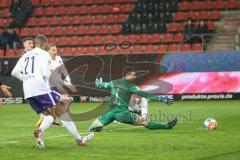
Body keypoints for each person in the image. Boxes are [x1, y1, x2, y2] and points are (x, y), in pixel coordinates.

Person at [11, 34, 93, 148]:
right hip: (41, 88)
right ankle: (79, 140)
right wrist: (62, 83)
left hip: (28, 91)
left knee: (49, 115)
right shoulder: (44, 54)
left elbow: (14, 72)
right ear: (44, 44)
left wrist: (27, 80)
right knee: (62, 113)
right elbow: (46, 74)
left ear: (35, 43)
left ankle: (40, 135)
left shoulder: (26, 55)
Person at [88, 69, 177, 132]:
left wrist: (98, 83)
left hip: (109, 113)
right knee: (144, 122)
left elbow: (104, 84)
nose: (135, 77)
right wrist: (160, 98)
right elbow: (143, 94)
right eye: (133, 75)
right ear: (127, 75)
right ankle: (167, 126)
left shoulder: (113, 82)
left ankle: (98, 126)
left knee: (92, 128)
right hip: (122, 114)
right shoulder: (131, 86)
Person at [35, 43, 76, 127]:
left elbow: (63, 69)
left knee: (66, 101)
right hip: (49, 85)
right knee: (61, 101)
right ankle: (56, 120)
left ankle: (52, 119)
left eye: (56, 49)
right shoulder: (46, 61)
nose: (55, 51)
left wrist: (69, 80)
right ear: (47, 51)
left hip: (58, 84)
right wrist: (66, 84)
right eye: (53, 50)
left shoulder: (58, 58)